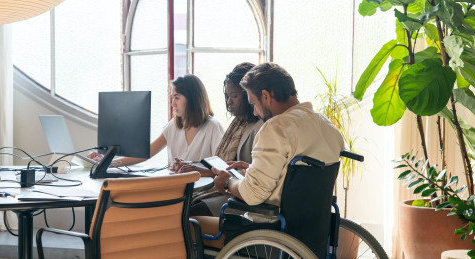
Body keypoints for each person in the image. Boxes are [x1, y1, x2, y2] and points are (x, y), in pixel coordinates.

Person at [208, 62, 345, 209]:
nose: (254, 112)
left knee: (191, 223)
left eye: (253, 104)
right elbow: (300, 181)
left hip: (270, 224)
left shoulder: (276, 127)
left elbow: (252, 194)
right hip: (312, 223)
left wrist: (228, 181)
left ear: (265, 96)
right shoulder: (327, 126)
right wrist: (255, 170)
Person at [172, 63, 264, 216]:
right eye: (227, 97)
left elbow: (243, 175)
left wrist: (204, 171)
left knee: (189, 212)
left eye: (234, 96)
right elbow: (225, 166)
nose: (229, 102)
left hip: (239, 196)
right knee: (180, 205)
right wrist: (197, 167)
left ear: (249, 94)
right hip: (230, 190)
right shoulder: (239, 124)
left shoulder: (259, 127)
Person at [88, 74, 225, 166]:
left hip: (200, 194)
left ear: (193, 98)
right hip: (176, 190)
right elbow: (146, 153)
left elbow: (221, 167)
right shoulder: (174, 126)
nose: (173, 104)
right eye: (172, 98)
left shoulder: (213, 127)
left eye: (177, 97)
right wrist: (108, 162)